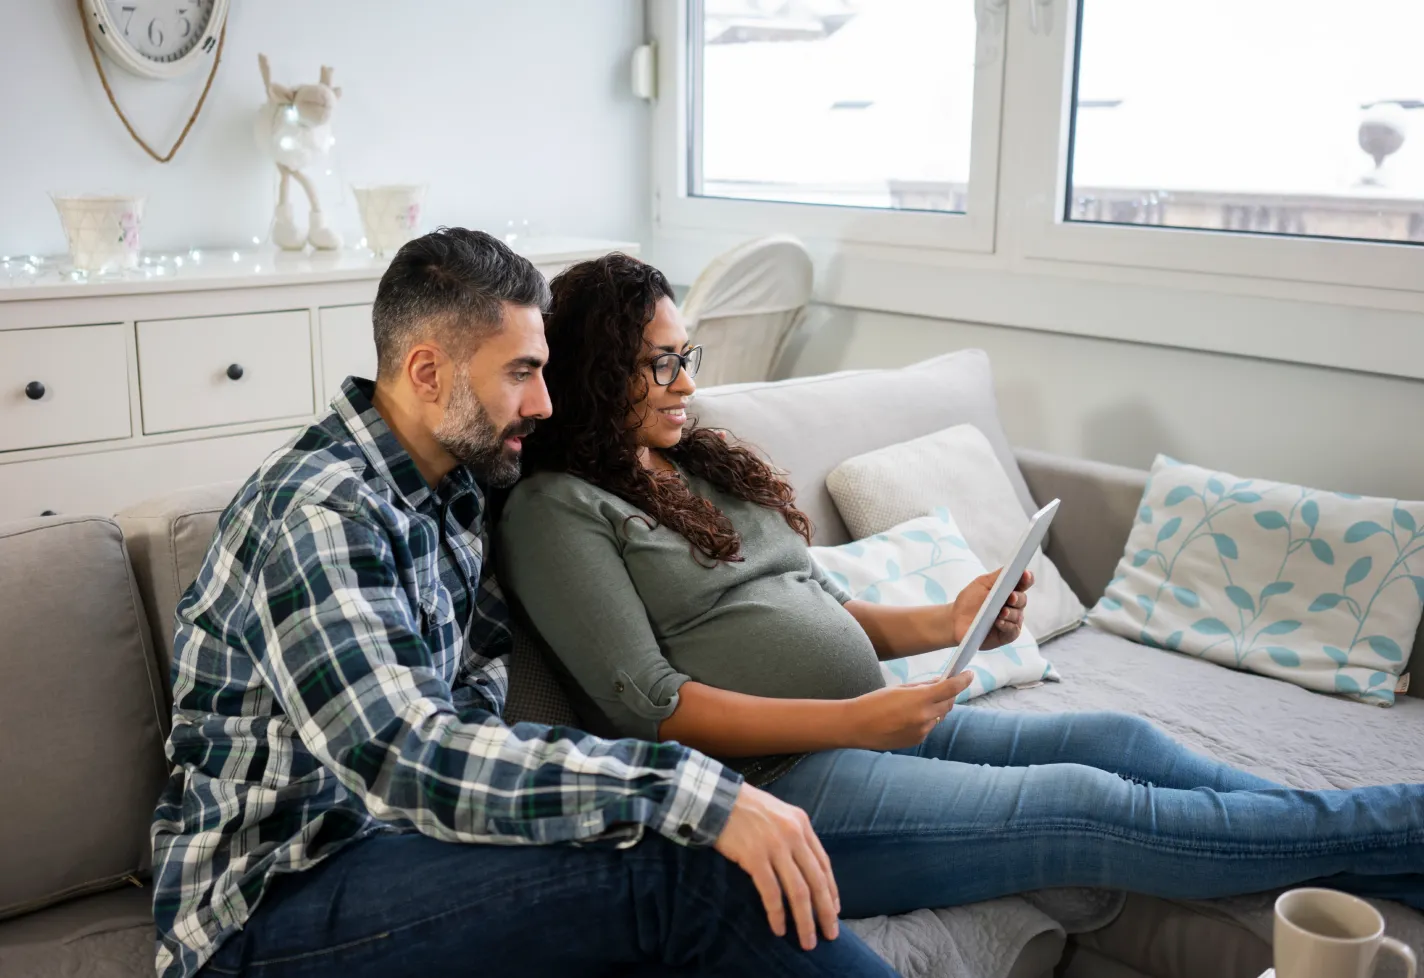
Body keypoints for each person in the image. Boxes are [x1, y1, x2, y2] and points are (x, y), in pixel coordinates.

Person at [497, 252, 1424, 921]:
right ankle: (1397, 825)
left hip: (864, 735)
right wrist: (854, 722)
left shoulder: (693, 467)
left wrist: (946, 621)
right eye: (658, 362)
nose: (684, 383)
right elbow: (655, 710)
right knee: (1087, 804)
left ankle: (1380, 848)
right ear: (592, 370)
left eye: (687, 355)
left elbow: (804, 607)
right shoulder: (557, 510)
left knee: (1116, 735)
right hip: (769, 797)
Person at [152, 229, 902, 978]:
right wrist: (687, 787)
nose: (544, 403)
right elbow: (406, 755)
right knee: (688, 871)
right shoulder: (321, 515)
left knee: (667, 859)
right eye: (521, 374)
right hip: (273, 902)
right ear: (426, 371)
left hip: (406, 849)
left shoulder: (456, 492)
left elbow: (479, 710)